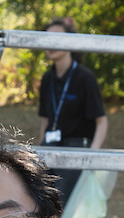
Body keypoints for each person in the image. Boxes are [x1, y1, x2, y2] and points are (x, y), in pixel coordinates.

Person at [37, 17, 108, 205]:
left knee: (58, 206)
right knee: (40, 203)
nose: (51, 44)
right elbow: (45, 120)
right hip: (50, 147)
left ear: (70, 41)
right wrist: (40, 152)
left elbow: (101, 122)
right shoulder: (47, 78)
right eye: (47, 39)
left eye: (57, 38)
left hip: (76, 149)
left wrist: (91, 158)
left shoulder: (85, 77)